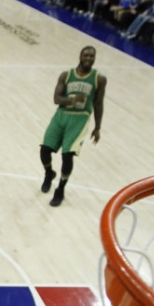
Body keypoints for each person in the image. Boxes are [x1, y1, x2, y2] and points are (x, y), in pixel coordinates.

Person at [39, 45, 106, 207]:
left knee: (67, 155)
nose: (89, 59)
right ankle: (49, 173)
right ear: (80, 56)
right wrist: (72, 100)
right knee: (44, 149)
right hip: (61, 115)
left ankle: (60, 189)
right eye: (86, 56)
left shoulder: (99, 78)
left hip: (80, 119)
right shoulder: (66, 75)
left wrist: (97, 128)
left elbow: (98, 103)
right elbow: (56, 98)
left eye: (92, 56)